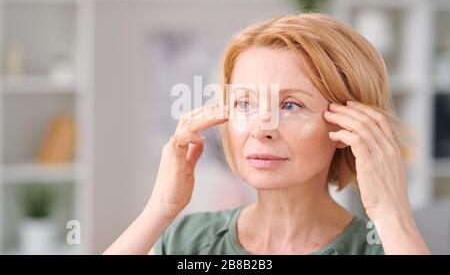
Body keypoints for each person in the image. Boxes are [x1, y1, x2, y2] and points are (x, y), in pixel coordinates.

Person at [104, 13, 430, 255]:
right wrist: (160, 209)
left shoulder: (381, 245)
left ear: (349, 126)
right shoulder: (188, 240)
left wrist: (392, 213)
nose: (262, 129)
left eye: (290, 105)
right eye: (244, 103)